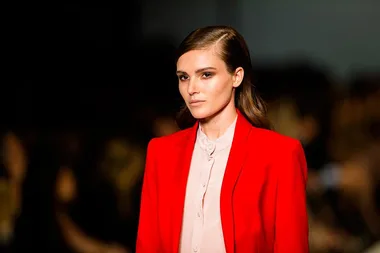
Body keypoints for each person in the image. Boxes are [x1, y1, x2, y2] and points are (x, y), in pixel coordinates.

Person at [136, 26, 309, 253]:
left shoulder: (280, 154)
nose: (191, 88)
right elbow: (148, 245)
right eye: (183, 77)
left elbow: (291, 247)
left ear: (236, 76)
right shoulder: (162, 152)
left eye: (206, 74)